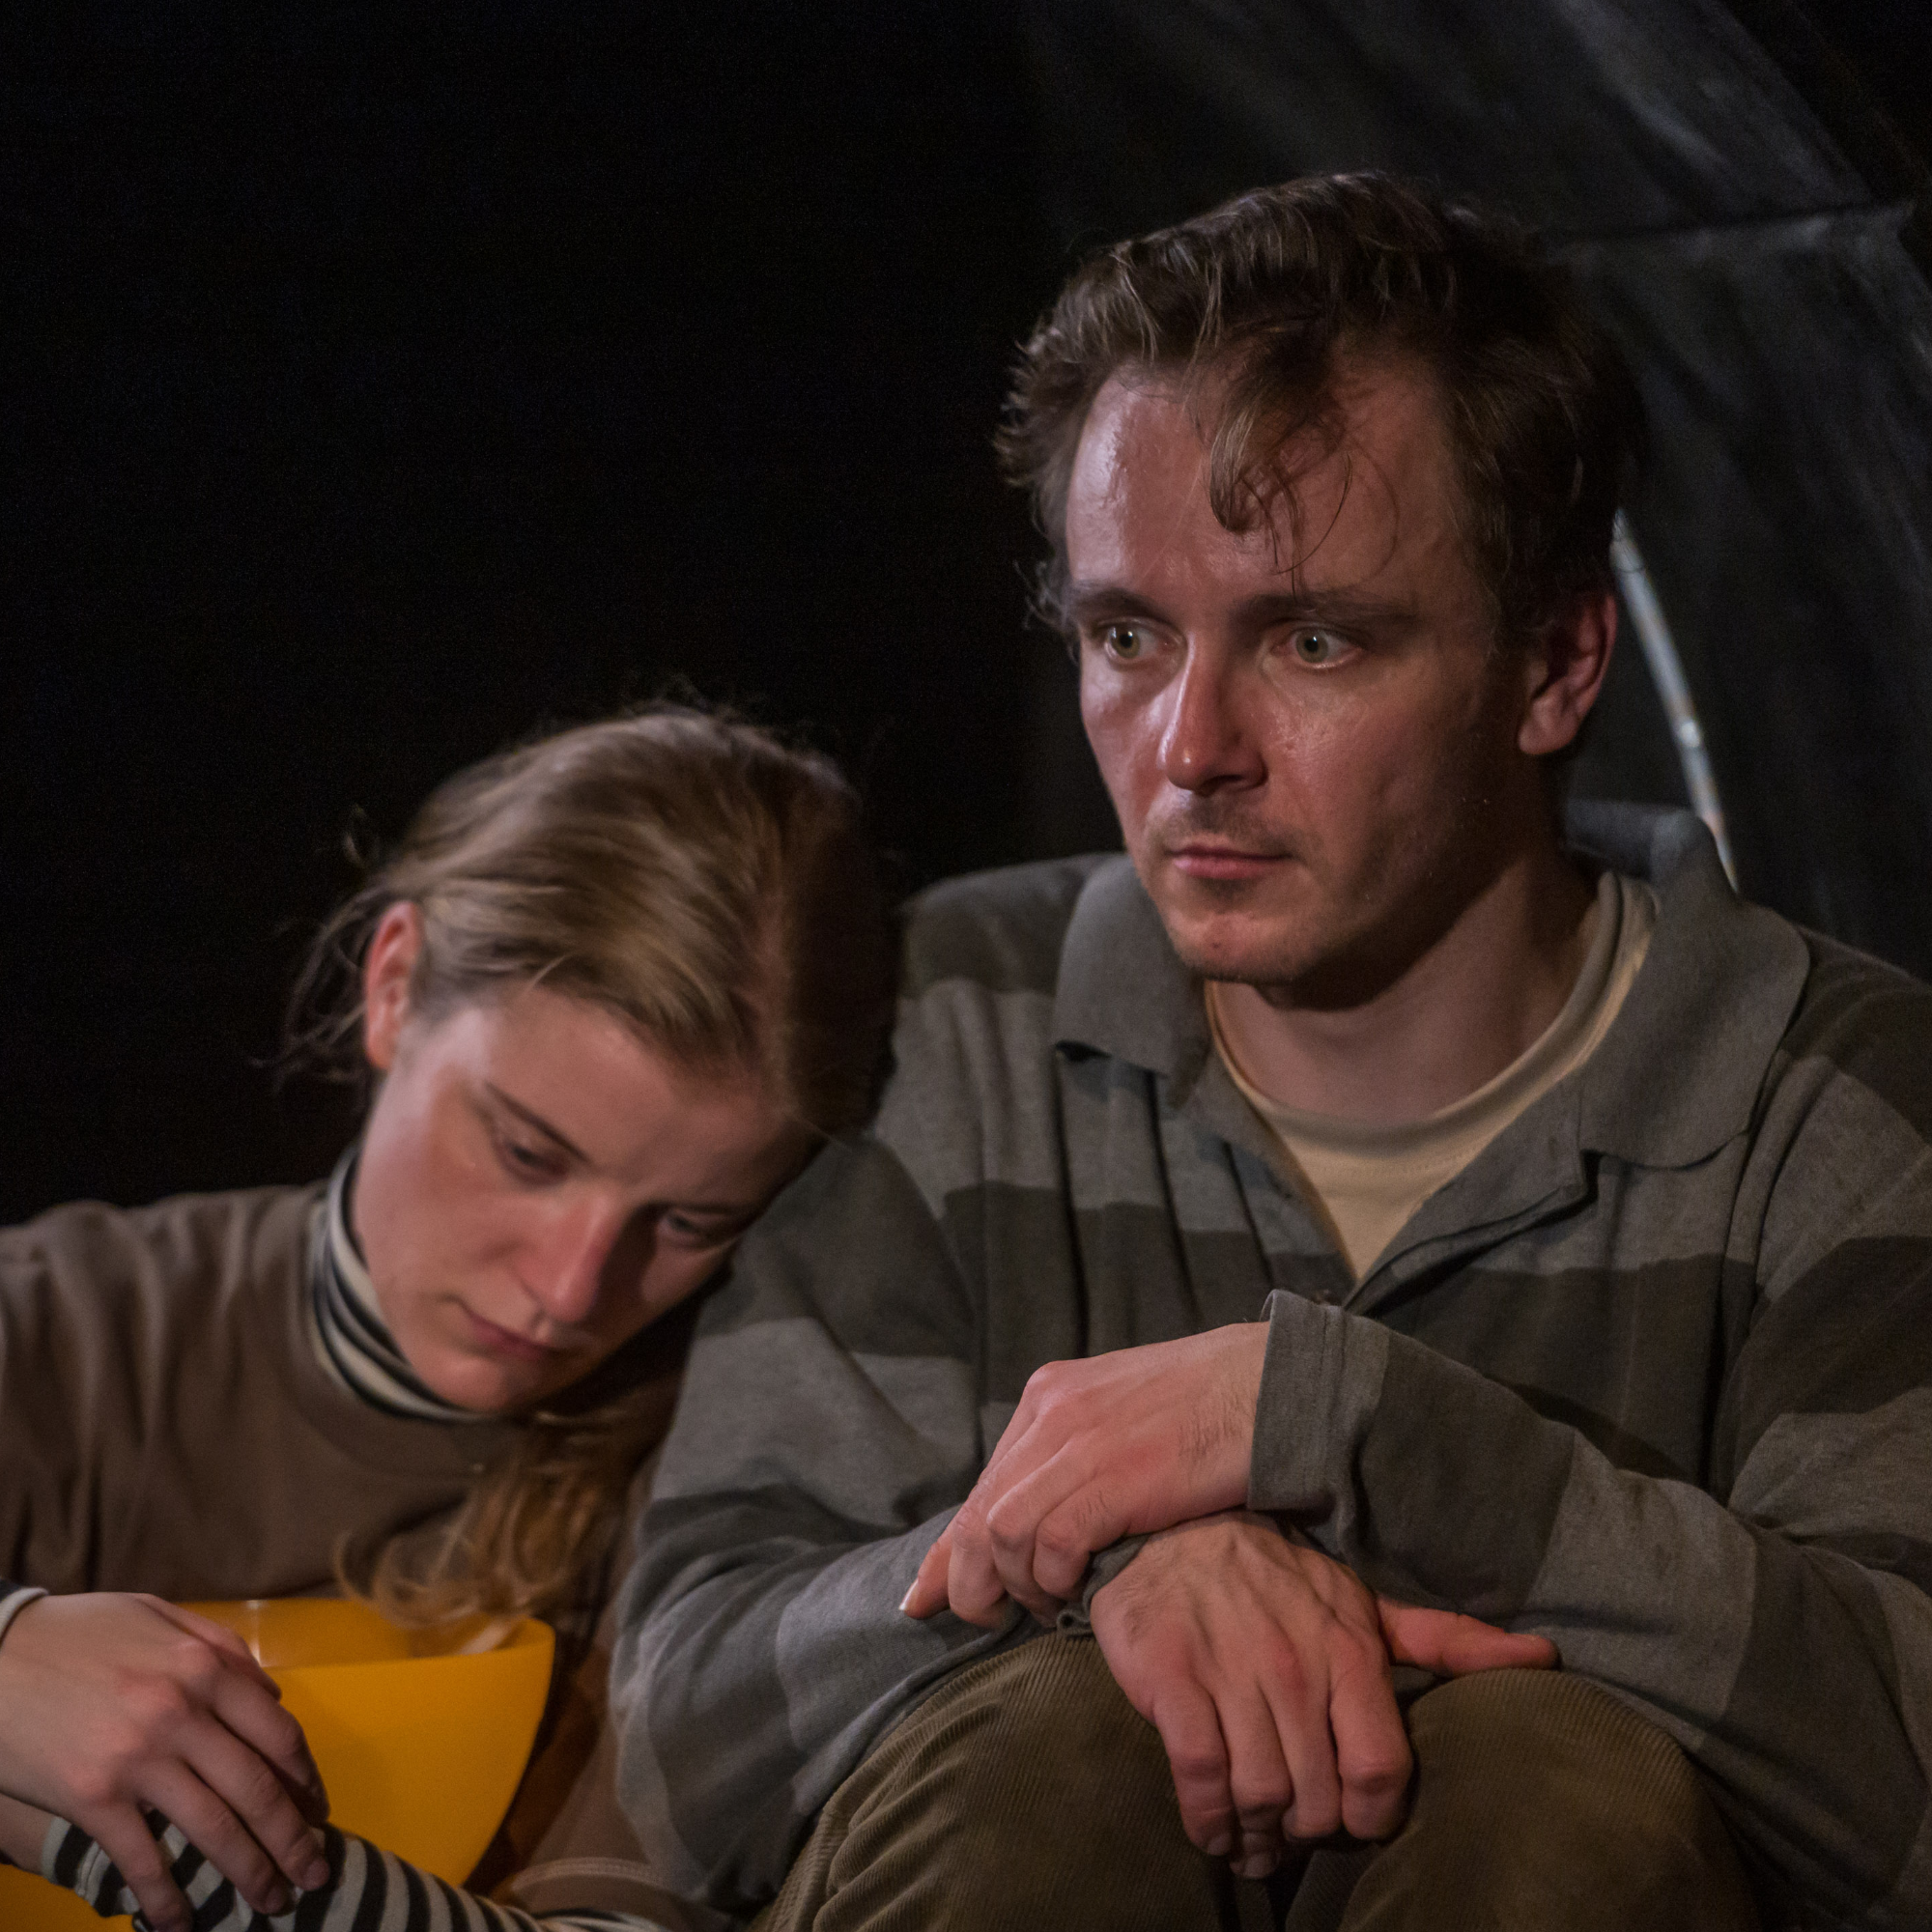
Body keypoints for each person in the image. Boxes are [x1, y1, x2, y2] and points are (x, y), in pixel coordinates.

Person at [611, 174, 1932, 1932]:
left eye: (1312, 639)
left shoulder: (1834, 1095)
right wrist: (1101, 1577)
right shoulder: (956, 1017)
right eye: (1127, 635)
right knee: (1050, 1754)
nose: (1191, 748)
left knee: (1558, 1787)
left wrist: (1346, 1431)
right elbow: (686, 1731)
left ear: (1554, 664)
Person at [0, 706, 895, 1932]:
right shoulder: (59, 1331)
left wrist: (141, 1837)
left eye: (690, 1220)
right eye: (527, 1151)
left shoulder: (726, 1483)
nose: (571, 1289)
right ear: (392, 986)